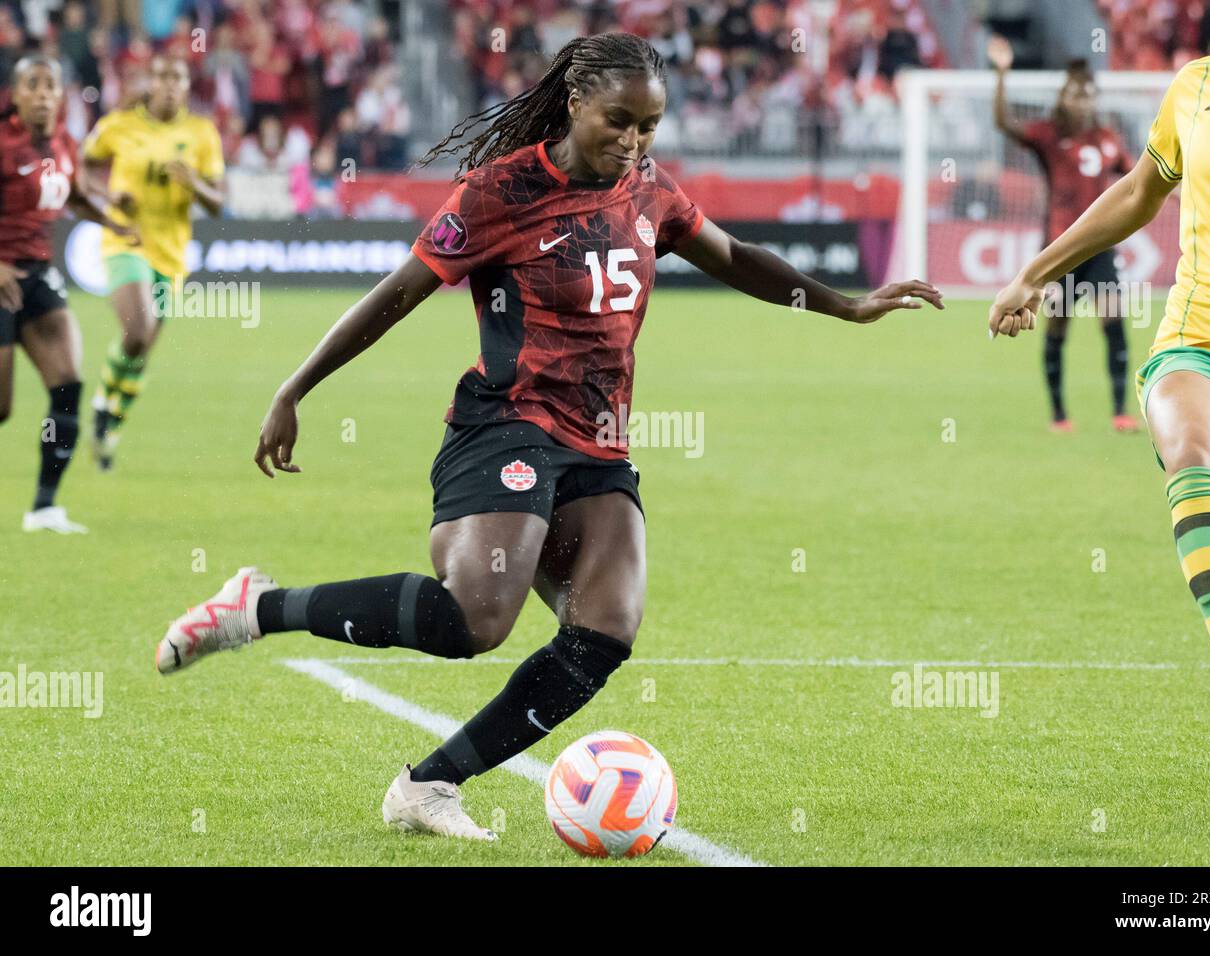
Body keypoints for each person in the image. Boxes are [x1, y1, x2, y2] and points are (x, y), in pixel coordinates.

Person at [154, 32, 943, 839]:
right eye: (619, 121)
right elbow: (398, 292)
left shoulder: (648, 186)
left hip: (598, 442)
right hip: (507, 425)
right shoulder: (502, 191)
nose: (634, 142)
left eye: (649, 126)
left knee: (605, 631)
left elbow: (734, 255)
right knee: (474, 620)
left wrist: (843, 304)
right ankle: (256, 607)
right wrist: (296, 386)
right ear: (574, 101)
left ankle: (428, 786)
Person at [989, 0, 1210, 798]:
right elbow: (1139, 191)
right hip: (1206, 350)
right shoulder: (1197, 86)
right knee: (1193, 455)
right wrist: (1037, 271)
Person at [0, 55, 137, 533]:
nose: (42, 94)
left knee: (67, 386)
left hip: (36, 276)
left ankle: (44, 507)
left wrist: (113, 218)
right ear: (15, 94)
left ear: (61, 95)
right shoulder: (3, 141)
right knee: (2, 407)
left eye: (51, 86)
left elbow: (75, 195)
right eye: (32, 85)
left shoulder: (62, 142)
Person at [80, 54, 224, 470]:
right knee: (137, 330)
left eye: (177, 77)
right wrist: (108, 198)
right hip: (126, 239)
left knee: (141, 350)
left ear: (186, 86)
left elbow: (217, 202)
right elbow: (83, 169)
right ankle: (102, 408)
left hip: (172, 252)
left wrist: (194, 183)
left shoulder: (201, 133)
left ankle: (109, 423)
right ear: (150, 83)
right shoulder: (119, 125)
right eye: (162, 77)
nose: (169, 85)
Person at [989, 36, 1138, 434]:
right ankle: (1058, 415)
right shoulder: (1048, 135)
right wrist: (1002, 74)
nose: (1083, 99)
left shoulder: (1108, 139)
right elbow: (1004, 123)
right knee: (1057, 326)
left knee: (1114, 321)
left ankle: (1120, 412)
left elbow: (1142, 180)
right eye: (1075, 92)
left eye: (1088, 92)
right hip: (1059, 251)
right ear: (1064, 97)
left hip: (1101, 248)